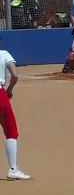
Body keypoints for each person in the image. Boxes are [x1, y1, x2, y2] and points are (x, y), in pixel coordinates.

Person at [0, 38, 31, 180]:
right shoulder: (4, 54)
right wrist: (10, 90)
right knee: (11, 131)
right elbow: (15, 74)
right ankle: (13, 169)